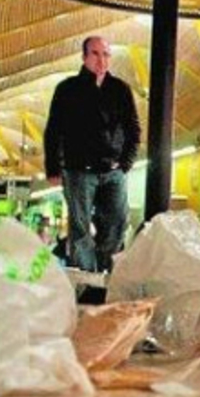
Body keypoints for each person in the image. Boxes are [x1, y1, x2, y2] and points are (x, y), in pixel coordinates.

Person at [44, 36, 141, 273]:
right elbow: (53, 130)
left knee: (117, 224)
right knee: (80, 228)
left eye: (106, 54)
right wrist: (53, 168)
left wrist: (125, 163)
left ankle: (104, 274)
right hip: (78, 171)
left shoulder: (120, 90)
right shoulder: (67, 89)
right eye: (95, 54)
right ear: (84, 57)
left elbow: (133, 128)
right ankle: (87, 280)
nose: (101, 60)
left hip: (113, 170)